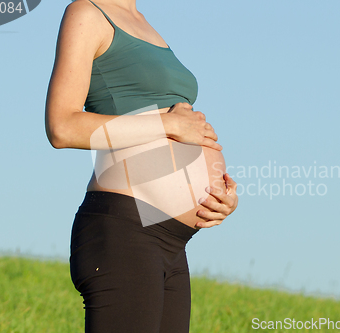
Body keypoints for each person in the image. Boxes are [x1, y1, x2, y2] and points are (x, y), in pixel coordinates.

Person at [44, 0, 239, 332]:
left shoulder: (145, 24)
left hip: (172, 242)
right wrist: (168, 126)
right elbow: (62, 127)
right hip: (126, 230)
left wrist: (219, 196)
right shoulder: (87, 12)